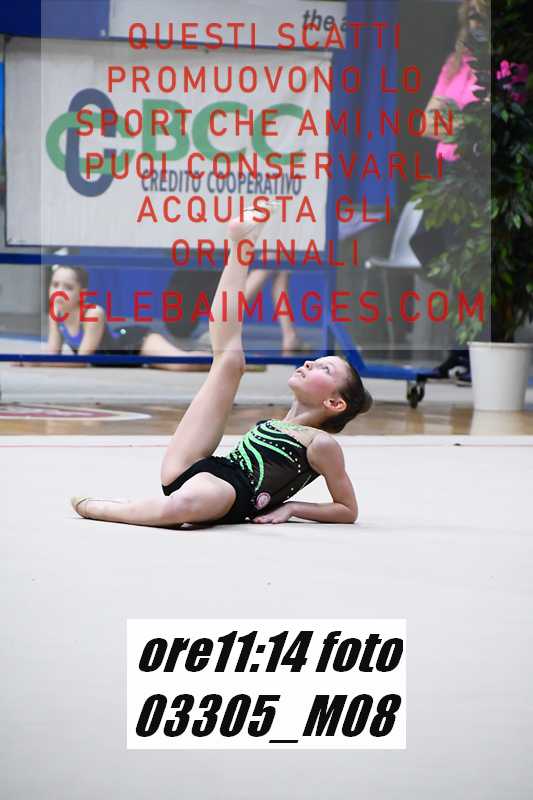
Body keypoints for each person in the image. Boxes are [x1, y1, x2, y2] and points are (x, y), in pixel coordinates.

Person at [71, 200, 373, 528]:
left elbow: (347, 509)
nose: (310, 362)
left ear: (334, 403)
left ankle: (103, 508)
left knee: (184, 504)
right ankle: (241, 246)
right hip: (196, 468)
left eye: (325, 369)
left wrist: (293, 507)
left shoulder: (321, 443)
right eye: (317, 361)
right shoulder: (282, 423)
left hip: (226, 494)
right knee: (229, 360)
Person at [412, 0, 489, 384]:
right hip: (448, 173)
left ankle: (475, 350)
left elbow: (486, 124)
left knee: (474, 263)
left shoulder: (501, 67)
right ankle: (461, 348)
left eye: (482, 14)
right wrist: (464, 121)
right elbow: (427, 123)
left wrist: (455, 119)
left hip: (480, 174)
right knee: (429, 246)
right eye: (470, 15)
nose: (475, 22)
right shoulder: (455, 63)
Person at [37, 263, 218, 371]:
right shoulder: (56, 314)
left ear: (82, 292)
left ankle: (219, 356)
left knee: (181, 364)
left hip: (136, 344)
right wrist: (37, 361)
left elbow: (81, 361)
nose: (59, 291)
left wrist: (36, 363)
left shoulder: (93, 313)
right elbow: (53, 354)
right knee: (173, 364)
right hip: (122, 358)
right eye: (55, 285)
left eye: (68, 287)